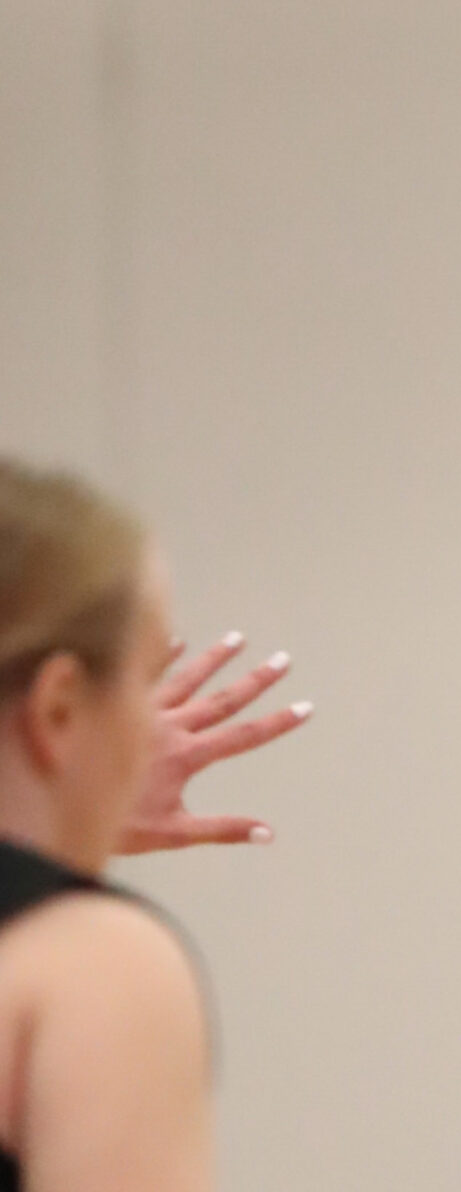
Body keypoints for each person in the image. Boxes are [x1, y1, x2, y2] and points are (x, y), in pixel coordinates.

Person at [0, 456, 309, 1191]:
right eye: (146, 679)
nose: (158, 730)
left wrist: (62, 810)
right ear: (58, 707)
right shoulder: (91, 963)